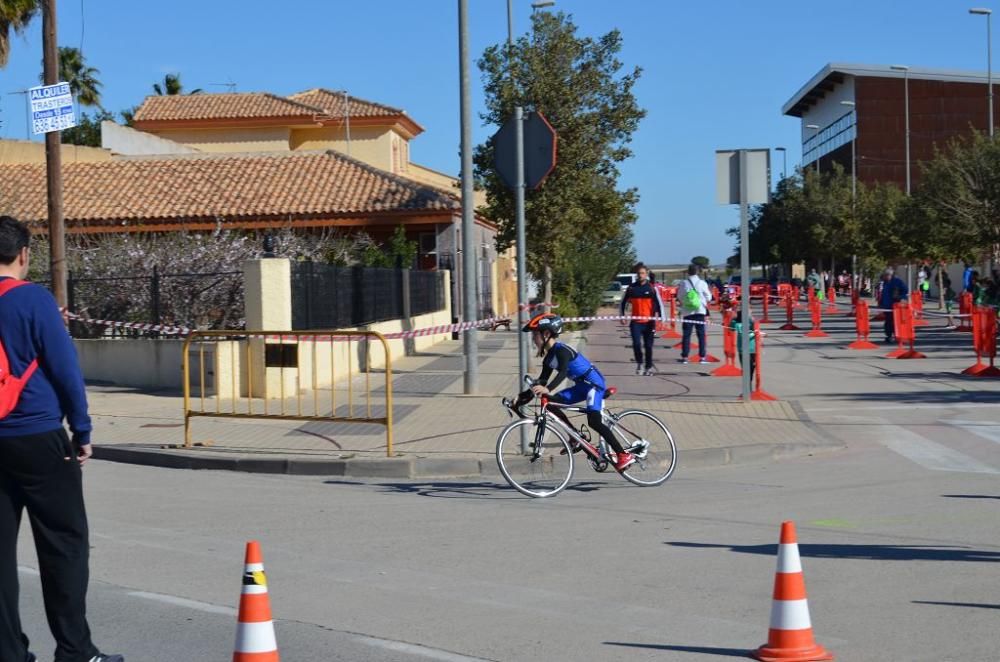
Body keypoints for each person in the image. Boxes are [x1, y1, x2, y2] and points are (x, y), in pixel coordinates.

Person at [0, 217, 124, 662]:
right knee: (63, 545)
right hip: (38, 435)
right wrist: (82, 429)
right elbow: (65, 369)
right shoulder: (33, 299)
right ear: (24, 255)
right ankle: (74, 650)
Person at [518, 313, 637, 471]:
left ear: (546, 334)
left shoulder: (562, 351)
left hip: (594, 385)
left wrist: (548, 388)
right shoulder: (549, 358)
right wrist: (519, 400)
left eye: (535, 335)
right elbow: (542, 382)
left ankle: (622, 454)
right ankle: (575, 438)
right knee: (550, 402)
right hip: (581, 387)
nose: (533, 339)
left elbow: (563, 372)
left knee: (594, 421)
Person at [619, 263, 664, 376]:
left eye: (642, 273)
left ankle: (648, 367)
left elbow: (659, 304)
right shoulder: (631, 288)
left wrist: (662, 319)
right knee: (636, 344)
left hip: (649, 322)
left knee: (648, 346)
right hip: (636, 323)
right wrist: (622, 316)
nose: (640, 275)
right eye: (639, 273)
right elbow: (622, 303)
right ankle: (639, 363)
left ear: (646, 274)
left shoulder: (652, 288)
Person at [675, 264, 714, 364]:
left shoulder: (684, 283)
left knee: (686, 335)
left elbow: (679, 296)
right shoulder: (702, 283)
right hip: (700, 311)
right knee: (701, 335)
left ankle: (685, 357)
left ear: (688, 272)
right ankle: (702, 357)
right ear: (698, 272)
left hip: (687, 312)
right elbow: (709, 297)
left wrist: (686, 303)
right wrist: (703, 301)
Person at [878, 267, 908, 344]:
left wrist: (900, 297)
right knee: (888, 322)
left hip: (895, 306)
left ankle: (898, 336)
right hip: (887, 306)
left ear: (889, 275)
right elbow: (883, 294)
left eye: (885, 275)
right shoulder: (885, 282)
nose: (884, 277)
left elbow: (905, 290)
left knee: (895, 322)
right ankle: (889, 336)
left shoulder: (897, 281)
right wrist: (881, 303)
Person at [730, 308, 757, 380]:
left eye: (751, 310)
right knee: (746, 368)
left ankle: (748, 383)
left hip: (753, 349)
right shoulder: (738, 323)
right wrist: (733, 319)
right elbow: (732, 328)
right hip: (743, 349)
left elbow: (756, 330)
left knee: (752, 366)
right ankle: (747, 386)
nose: (750, 312)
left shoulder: (751, 321)